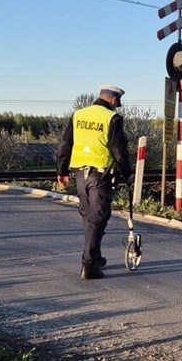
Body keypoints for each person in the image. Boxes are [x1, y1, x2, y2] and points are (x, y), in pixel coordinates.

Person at [57, 85, 133, 280]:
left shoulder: (78, 115)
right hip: (100, 175)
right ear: (114, 100)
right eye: (118, 104)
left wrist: (62, 170)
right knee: (98, 217)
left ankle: (96, 257)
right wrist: (128, 174)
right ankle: (88, 265)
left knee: (89, 217)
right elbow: (119, 150)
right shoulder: (111, 118)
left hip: (80, 175)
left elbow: (66, 144)